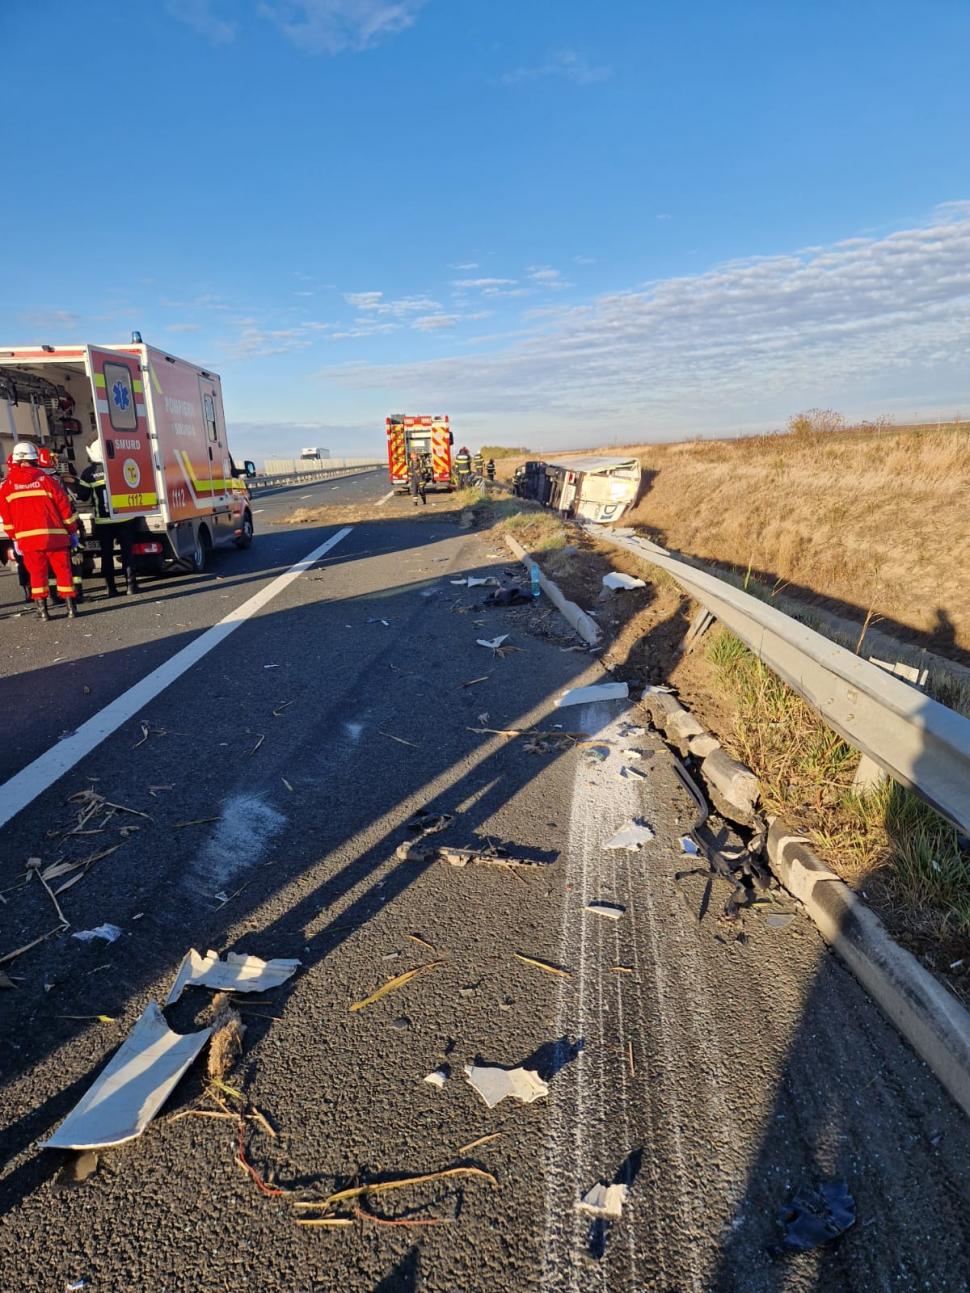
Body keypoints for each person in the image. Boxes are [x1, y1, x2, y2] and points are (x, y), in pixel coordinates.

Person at [0, 441, 80, 621]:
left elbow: (7, 517)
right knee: (63, 571)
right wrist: (72, 531)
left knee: (37, 574)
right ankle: (71, 609)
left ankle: (43, 612)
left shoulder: (7, 486)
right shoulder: (47, 480)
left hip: (28, 541)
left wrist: (14, 538)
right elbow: (64, 508)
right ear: (35, 459)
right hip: (55, 537)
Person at [76, 440, 140, 597]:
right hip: (124, 519)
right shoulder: (120, 466)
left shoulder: (88, 473)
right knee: (127, 554)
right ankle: (131, 585)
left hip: (103, 522)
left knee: (106, 555)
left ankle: (111, 589)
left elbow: (83, 496)